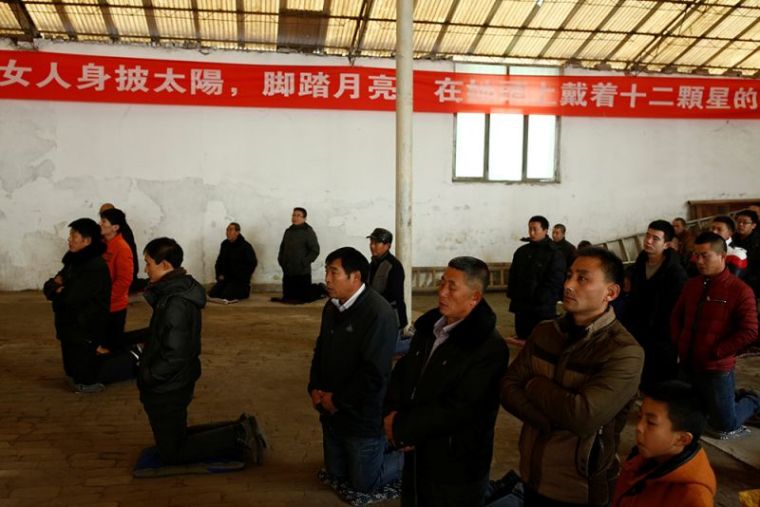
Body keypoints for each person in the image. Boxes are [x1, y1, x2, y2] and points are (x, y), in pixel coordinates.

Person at [501, 247, 644, 507]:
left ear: (610, 293)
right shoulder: (545, 332)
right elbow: (508, 388)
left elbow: (582, 416)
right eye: (569, 275)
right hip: (532, 473)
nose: (568, 285)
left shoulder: (624, 351)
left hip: (580, 487)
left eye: (582, 278)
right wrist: (547, 421)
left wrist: (533, 384)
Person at [384, 256, 510, 506]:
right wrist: (392, 414)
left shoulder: (488, 347)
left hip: (455, 463)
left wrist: (404, 427)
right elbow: (404, 373)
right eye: (442, 283)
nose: (441, 292)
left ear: (474, 297)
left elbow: (460, 409)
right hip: (415, 450)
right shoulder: (429, 328)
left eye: (452, 287)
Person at [135, 237, 265, 466]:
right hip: (175, 379)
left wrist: (149, 375)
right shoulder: (175, 292)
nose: (145, 269)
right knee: (175, 436)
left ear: (165, 265)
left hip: (169, 382)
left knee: (173, 452)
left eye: (148, 263)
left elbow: (175, 353)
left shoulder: (176, 301)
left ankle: (239, 435)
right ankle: (238, 429)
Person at [308, 247, 402, 493]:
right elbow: (321, 351)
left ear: (356, 277)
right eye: (326, 271)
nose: (327, 279)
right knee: (336, 474)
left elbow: (374, 374)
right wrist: (314, 388)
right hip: (332, 412)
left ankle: (411, 456)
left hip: (362, 415)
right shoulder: (332, 306)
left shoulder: (378, 314)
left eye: (334, 272)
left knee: (364, 484)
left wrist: (337, 400)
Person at [671, 232, 759, 439]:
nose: (698, 261)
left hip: (715, 366)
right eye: (696, 255)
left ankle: (753, 399)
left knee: (724, 426)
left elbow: (750, 330)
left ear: (722, 256)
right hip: (687, 362)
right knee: (686, 417)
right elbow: (676, 316)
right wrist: (679, 342)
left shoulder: (740, 290)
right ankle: (729, 397)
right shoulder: (692, 285)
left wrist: (717, 351)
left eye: (705, 255)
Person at [43, 218, 135, 393]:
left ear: (87, 240)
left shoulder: (94, 266)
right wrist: (56, 288)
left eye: (73, 236)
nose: (69, 239)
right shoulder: (73, 261)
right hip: (69, 325)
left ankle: (129, 363)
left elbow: (70, 297)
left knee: (86, 373)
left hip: (84, 326)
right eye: (70, 235)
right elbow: (49, 286)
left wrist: (59, 289)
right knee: (71, 368)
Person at [612, 381, 716, 507]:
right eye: (640, 417)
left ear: (682, 439)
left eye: (651, 422)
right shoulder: (641, 458)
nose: (638, 427)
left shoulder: (694, 497)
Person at [620, 220, 687, 389]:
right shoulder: (641, 262)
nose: (648, 241)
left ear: (667, 244)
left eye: (655, 238)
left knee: (658, 382)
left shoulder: (675, 273)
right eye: (647, 236)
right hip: (637, 327)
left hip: (661, 334)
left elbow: (676, 310)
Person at [507, 215, 566, 343]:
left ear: (545, 231)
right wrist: (513, 294)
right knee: (522, 335)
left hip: (542, 307)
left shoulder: (554, 253)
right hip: (522, 305)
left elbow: (555, 280)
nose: (531, 233)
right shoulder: (521, 251)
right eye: (530, 229)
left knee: (541, 340)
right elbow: (513, 274)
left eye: (535, 229)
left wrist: (541, 298)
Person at [99, 208, 134, 352]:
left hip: (113, 307)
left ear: (115, 227)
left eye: (104, 221)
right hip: (99, 304)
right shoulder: (100, 245)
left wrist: (105, 297)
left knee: (111, 346)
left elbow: (124, 281)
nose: (99, 224)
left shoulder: (122, 248)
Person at [275, 207, 322, 303]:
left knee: (304, 299)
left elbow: (315, 250)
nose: (295, 217)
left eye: (298, 215)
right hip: (288, 271)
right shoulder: (288, 231)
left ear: (304, 218)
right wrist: (281, 260)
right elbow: (282, 248)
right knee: (289, 298)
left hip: (302, 272)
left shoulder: (308, 232)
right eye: (293, 215)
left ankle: (320, 288)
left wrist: (304, 262)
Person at [100, 202, 146, 293]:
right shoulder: (105, 235)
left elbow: (124, 280)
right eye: (102, 216)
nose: (101, 222)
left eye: (105, 219)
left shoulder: (123, 239)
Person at [208, 222, 258, 301]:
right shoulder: (224, 244)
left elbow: (252, 264)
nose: (228, 232)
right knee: (213, 293)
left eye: (231, 230)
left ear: (237, 232)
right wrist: (219, 275)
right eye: (227, 230)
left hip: (239, 281)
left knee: (226, 295)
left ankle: (245, 291)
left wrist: (240, 277)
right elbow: (219, 262)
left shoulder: (245, 246)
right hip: (225, 279)